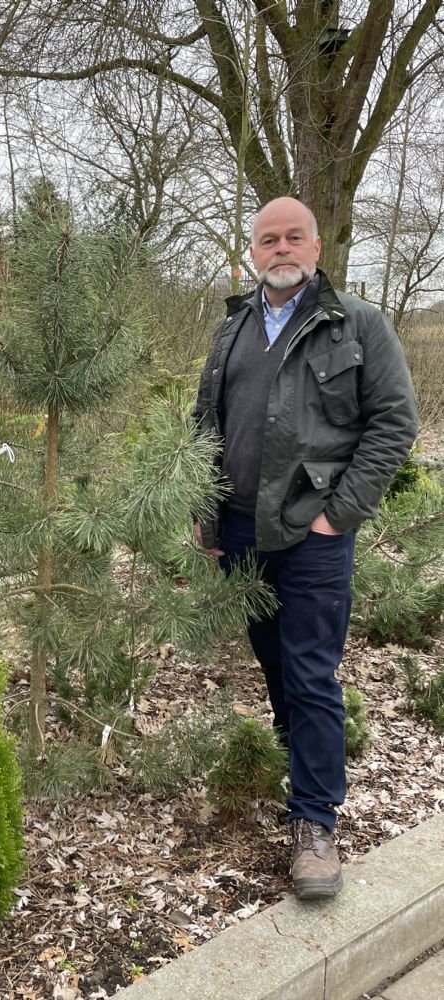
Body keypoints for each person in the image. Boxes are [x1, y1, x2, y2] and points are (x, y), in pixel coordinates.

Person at [194, 197, 417, 900]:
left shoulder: (358, 325)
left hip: (313, 536)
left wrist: (339, 515)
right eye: (268, 239)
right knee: (275, 666)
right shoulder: (232, 331)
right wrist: (205, 515)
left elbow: (395, 423)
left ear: (316, 247)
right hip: (240, 534)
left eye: (294, 237)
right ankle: (304, 767)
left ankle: (316, 821)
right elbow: (206, 423)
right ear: (252, 252)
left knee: (311, 673)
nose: (281, 249)